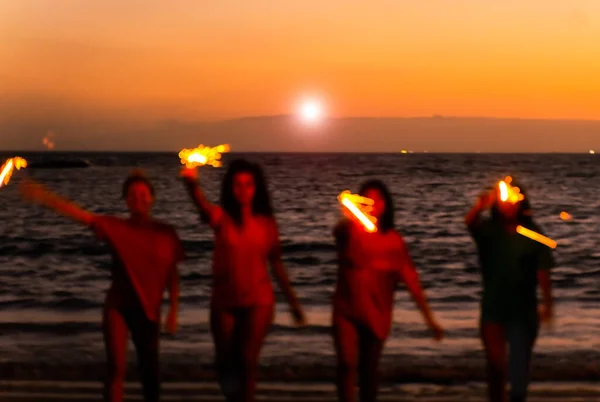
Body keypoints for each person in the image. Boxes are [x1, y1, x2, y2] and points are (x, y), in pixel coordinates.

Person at [20, 171, 183, 402]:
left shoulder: (166, 233)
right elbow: (81, 216)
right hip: (118, 307)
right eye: (132, 195)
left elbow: (172, 273)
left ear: (152, 198)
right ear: (126, 201)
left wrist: (174, 310)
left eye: (143, 194)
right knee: (116, 369)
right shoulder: (115, 226)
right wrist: (45, 197)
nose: (138, 198)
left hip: (149, 310)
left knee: (150, 372)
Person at [180, 159, 306, 402]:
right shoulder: (221, 217)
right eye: (237, 185)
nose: (243, 190)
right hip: (224, 300)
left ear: (256, 188)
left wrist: (293, 302)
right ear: (230, 188)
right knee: (226, 361)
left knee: (247, 361)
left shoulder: (267, 224)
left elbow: (276, 264)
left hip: (258, 300)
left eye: (248, 184)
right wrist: (191, 185)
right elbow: (202, 206)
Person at [332, 179, 444, 402]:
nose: (373, 203)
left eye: (377, 199)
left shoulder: (394, 241)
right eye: (367, 199)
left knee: (369, 372)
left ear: (385, 205)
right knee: (346, 365)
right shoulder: (350, 231)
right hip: (347, 310)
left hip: (377, 315)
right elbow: (338, 233)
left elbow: (412, 281)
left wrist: (429, 319)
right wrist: (348, 216)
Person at [465, 177, 554, 402]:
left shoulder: (533, 233)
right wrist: (480, 205)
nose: (509, 204)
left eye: (513, 200)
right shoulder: (489, 232)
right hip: (494, 309)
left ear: (521, 203)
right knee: (495, 368)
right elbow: (470, 223)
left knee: (519, 371)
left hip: (524, 312)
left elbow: (543, 271)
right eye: (504, 200)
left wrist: (547, 304)